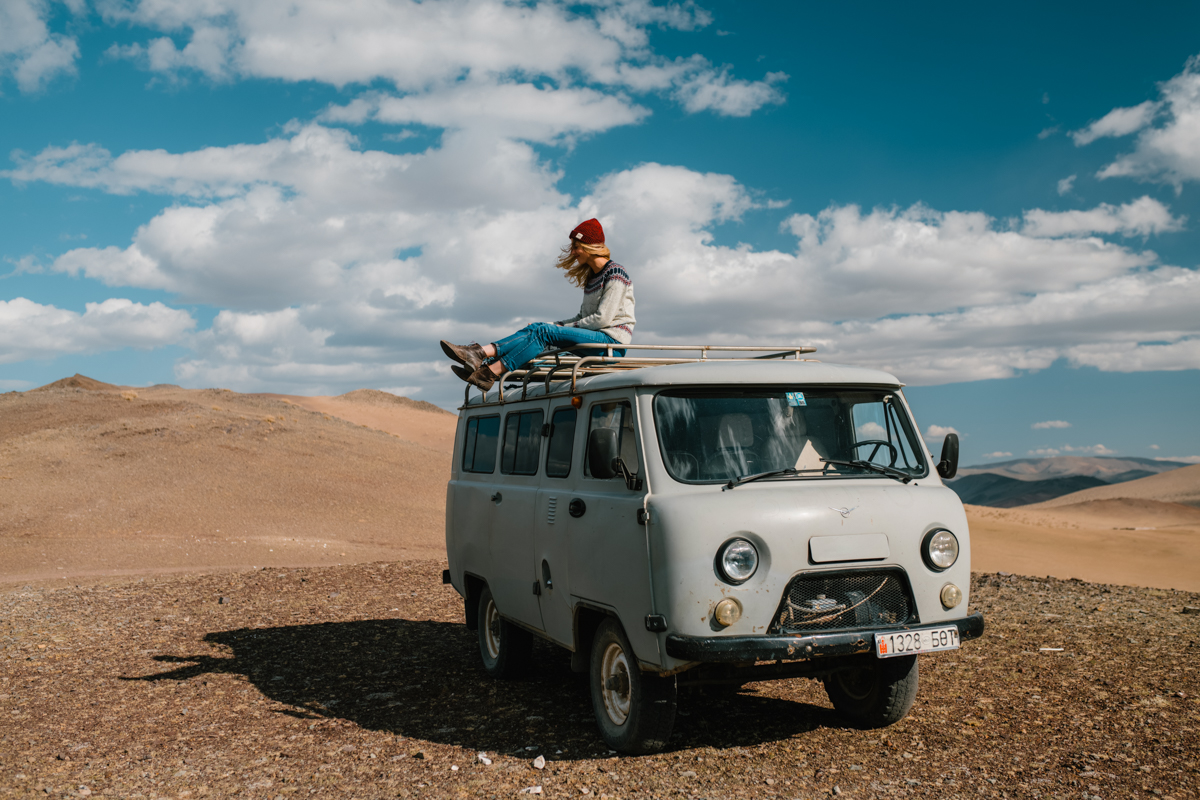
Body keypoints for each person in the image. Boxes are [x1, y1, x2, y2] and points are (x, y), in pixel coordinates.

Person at [440, 218, 636, 391]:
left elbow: (602, 319)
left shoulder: (616, 273)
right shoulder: (592, 278)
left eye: (577, 246)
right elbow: (582, 318)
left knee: (543, 332)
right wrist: (553, 324)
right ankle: (484, 364)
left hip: (611, 341)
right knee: (537, 328)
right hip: (595, 338)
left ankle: (483, 361)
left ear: (591, 246)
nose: (574, 252)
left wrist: (553, 329)